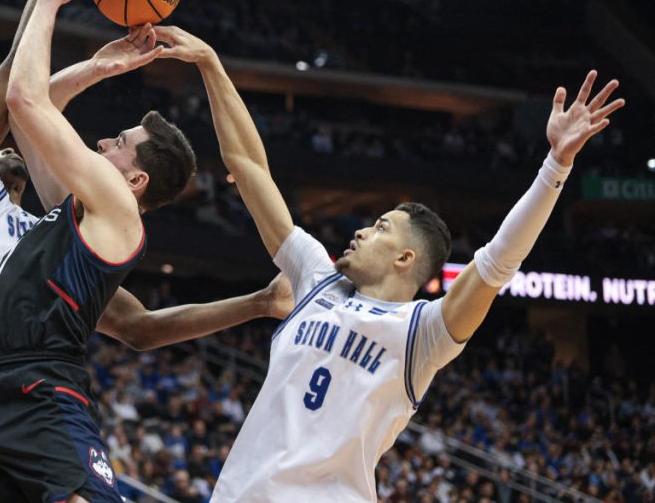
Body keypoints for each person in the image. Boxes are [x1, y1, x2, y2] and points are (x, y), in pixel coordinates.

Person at [0, 0, 291, 503]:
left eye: (115, 143)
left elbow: (25, 98)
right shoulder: (59, 219)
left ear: (136, 178)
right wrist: (98, 64)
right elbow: (33, 107)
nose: (99, 144)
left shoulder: (110, 207)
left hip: (34, 389)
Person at [152, 26, 625, 501]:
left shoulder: (423, 333)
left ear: (406, 258)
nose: (360, 231)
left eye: (379, 227)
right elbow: (249, 166)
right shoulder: (317, 280)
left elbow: (498, 262)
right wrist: (211, 65)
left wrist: (555, 166)